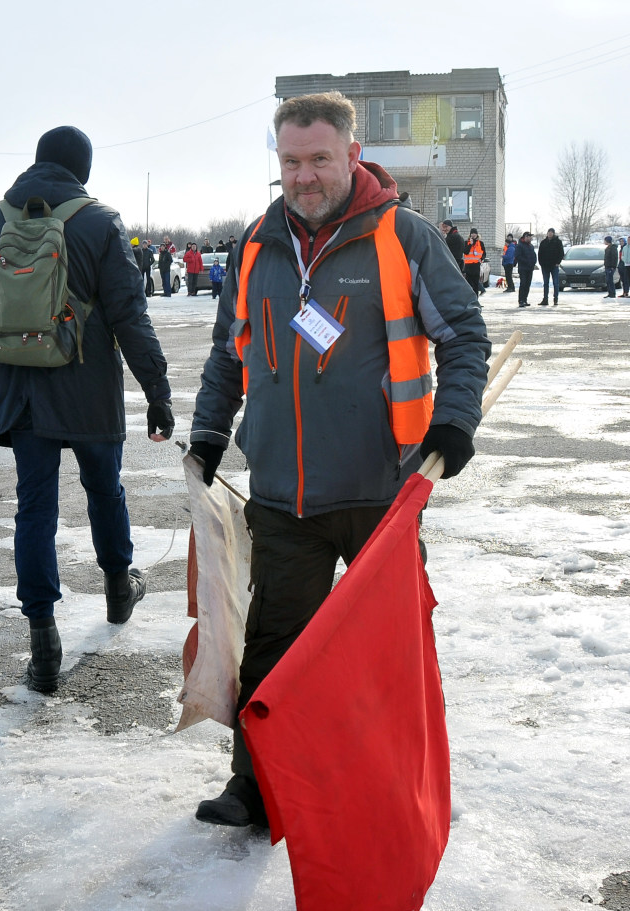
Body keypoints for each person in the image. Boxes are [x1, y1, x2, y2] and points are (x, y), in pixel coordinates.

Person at [188, 91, 490, 829]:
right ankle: (256, 786)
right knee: (274, 647)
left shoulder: (404, 238)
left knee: (391, 652)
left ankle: (392, 787)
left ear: (351, 155)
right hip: (284, 493)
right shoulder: (256, 245)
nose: (304, 176)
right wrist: (207, 433)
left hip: (381, 490)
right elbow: (230, 358)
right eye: (290, 161)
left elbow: (464, 337)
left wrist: (452, 424)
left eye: (319, 158)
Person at [0, 125, 174, 696]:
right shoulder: (100, 223)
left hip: (19, 391)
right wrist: (157, 391)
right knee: (105, 489)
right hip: (88, 388)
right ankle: (118, 590)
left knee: (35, 510)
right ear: (84, 169)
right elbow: (130, 315)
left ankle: (43, 643)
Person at [537, 228, 564, 306]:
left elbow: (561, 253)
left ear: (554, 233)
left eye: (551, 232)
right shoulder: (543, 242)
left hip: (554, 266)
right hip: (545, 266)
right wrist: (541, 263)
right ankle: (545, 299)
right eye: (549, 232)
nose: (550, 234)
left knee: (555, 283)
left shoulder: (558, 242)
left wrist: (558, 262)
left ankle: (555, 299)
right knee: (546, 283)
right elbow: (540, 254)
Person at [514, 230, 537, 307]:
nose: (530, 238)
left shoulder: (531, 246)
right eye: (529, 237)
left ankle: (525, 299)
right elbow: (518, 256)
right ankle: (521, 300)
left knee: (528, 284)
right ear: (525, 237)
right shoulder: (520, 246)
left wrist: (533, 262)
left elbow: (534, 256)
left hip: (530, 268)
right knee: (523, 284)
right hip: (523, 268)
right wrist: (527, 262)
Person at [462, 228, 486, 296]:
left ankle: (476, 300)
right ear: (470, 234)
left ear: (477, 234)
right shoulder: (466, 242)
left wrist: (481, 259)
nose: (473, 235)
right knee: (469, 284)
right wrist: (470, 244)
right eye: (472, 233)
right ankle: (470, 300)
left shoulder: (480, 243)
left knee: (476, 284)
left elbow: (484, 253)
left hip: (476, 265)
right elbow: (465, 252)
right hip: (468, 266)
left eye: (474, 233)